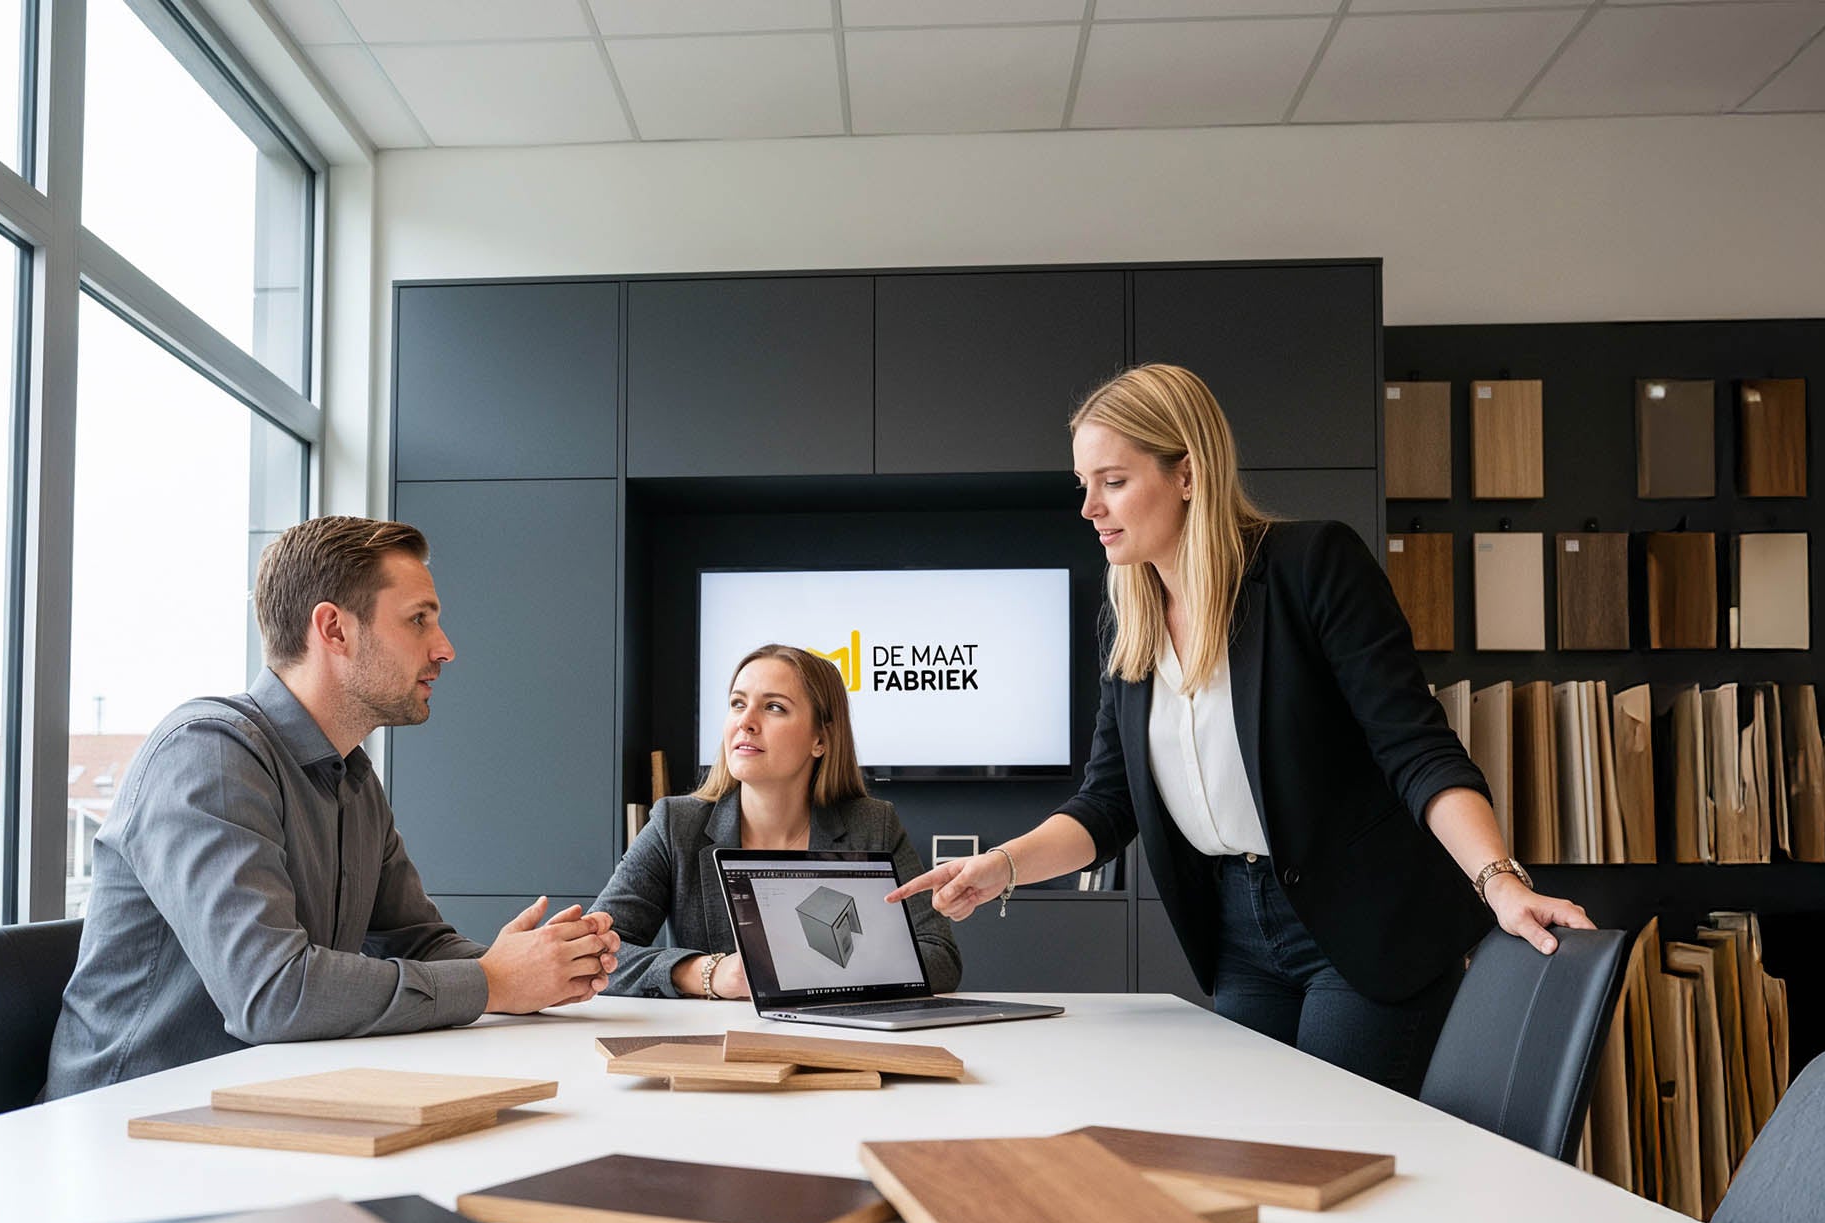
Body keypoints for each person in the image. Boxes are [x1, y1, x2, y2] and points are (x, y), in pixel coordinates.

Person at [890, 365, 1592, 1096]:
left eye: (1114, 481)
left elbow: (1414, 748)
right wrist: (998, 867)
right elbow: (1107, 805)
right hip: (1237, 935)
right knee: (1251, 1145)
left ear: (1187, 473)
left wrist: (1500, 883)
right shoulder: (1131, 626)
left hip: (1357, 929)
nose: (1090, 507)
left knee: (1329, 1152)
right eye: (1083, 485)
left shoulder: (1313, 567)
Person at [42, 516, 619, 1098]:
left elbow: (415, 941)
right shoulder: (209, 755)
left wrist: (541, 968)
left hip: (258, 1103)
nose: (445, 648)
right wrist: (492, 983)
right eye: (418, 619)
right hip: (126, 1125)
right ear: (334, 629)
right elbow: (271, 995)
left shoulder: (354, 777)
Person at [596, 644, 959, 1000]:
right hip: (715, 1050)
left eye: (773, 707)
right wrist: (709, 973)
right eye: (738, 704)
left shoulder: (873, 825)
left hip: (840, 1041)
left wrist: (810, 971)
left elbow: (940, 957)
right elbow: (592, 953)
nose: (746, 722)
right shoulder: (675, 825)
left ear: (820, 739)